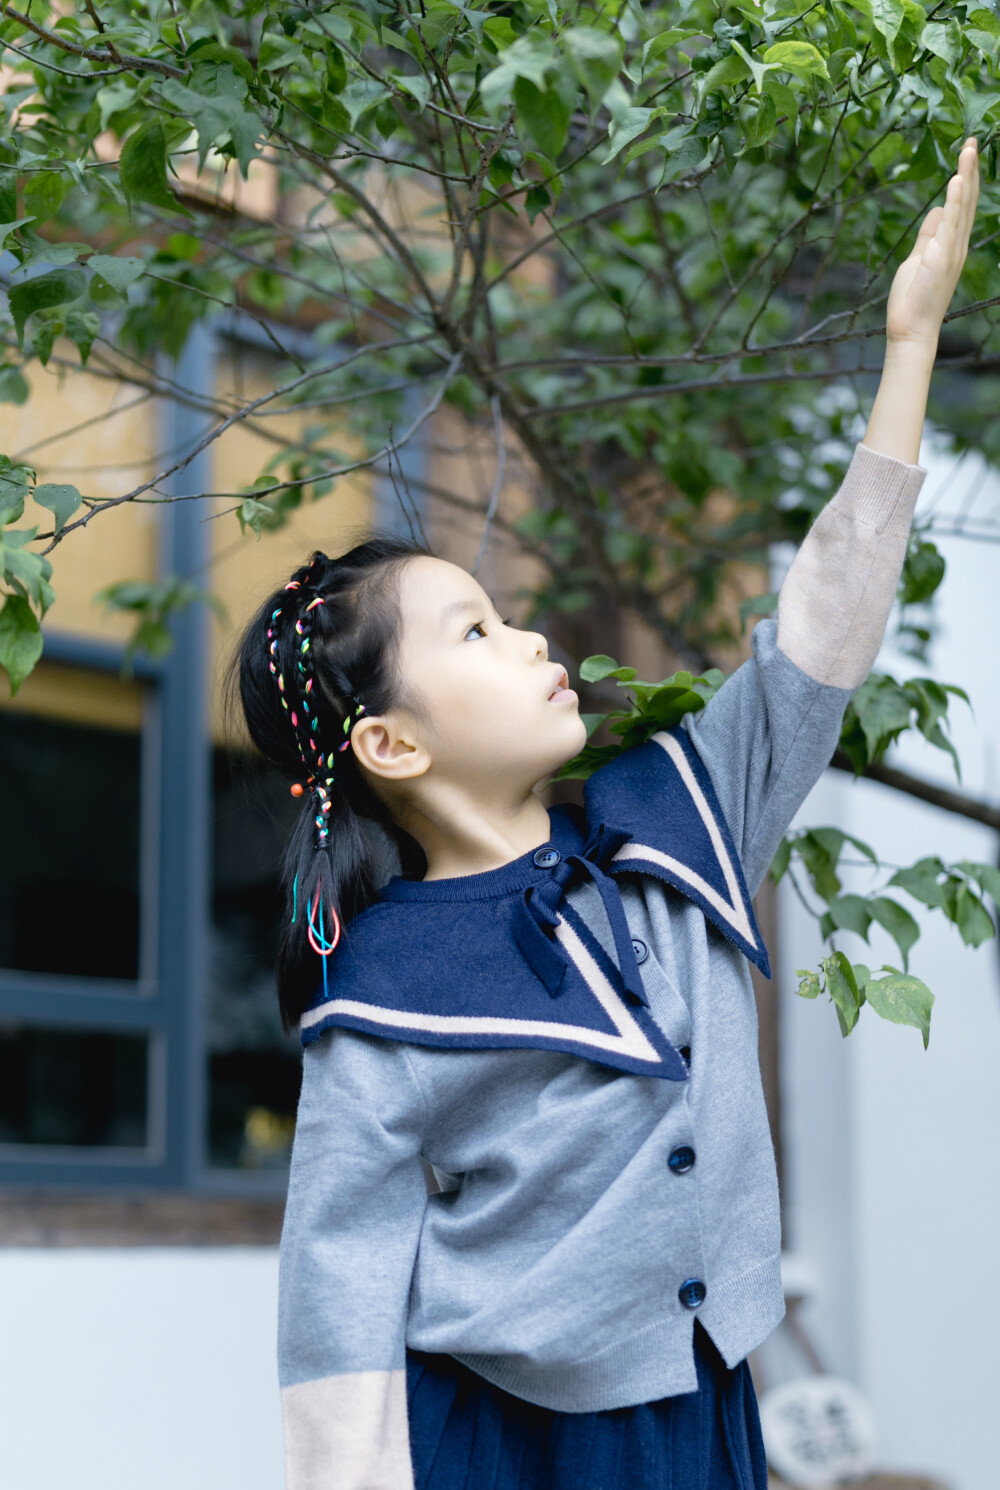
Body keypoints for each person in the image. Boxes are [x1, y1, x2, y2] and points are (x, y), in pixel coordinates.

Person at [233, 139, 980, 1490]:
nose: (529, 641)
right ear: (390, 739)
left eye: (508, 613)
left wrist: (907, 348)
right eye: (475, 630)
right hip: (513, 1446)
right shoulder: (386, 994)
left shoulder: (679, 820)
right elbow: (335, 1295)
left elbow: (819, 634)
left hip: (703, 1415)